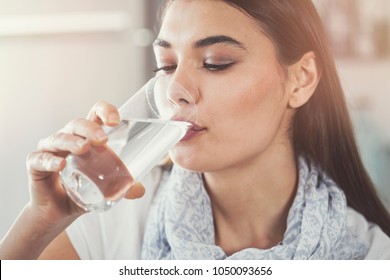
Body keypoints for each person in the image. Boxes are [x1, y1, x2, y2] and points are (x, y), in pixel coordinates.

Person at [1, 0, 390, 260]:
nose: (175, 91)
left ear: (301, 79)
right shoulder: (115, 218)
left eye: (216, 62)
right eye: (166, 66)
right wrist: (43, 219)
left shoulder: (369, 255)